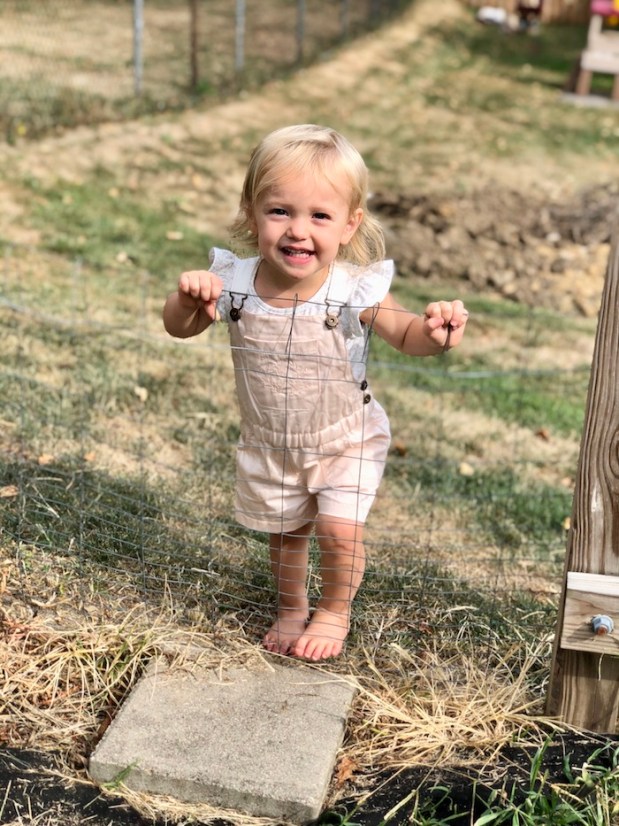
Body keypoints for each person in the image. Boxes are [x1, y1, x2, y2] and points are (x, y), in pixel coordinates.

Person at [163, 124, 469, 662]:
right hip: (271, 441)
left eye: (320, 216)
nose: (298, 231)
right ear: (251, 213)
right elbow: (179, 328)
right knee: (285, 535)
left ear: (350, 225)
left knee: (338, 528)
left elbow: (405, 334)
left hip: (346, 436)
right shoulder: (233, 282)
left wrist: (437, 333)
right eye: (280, 211)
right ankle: (290, 608)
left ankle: (333, 610)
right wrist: (188, 300)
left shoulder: (352, 288)